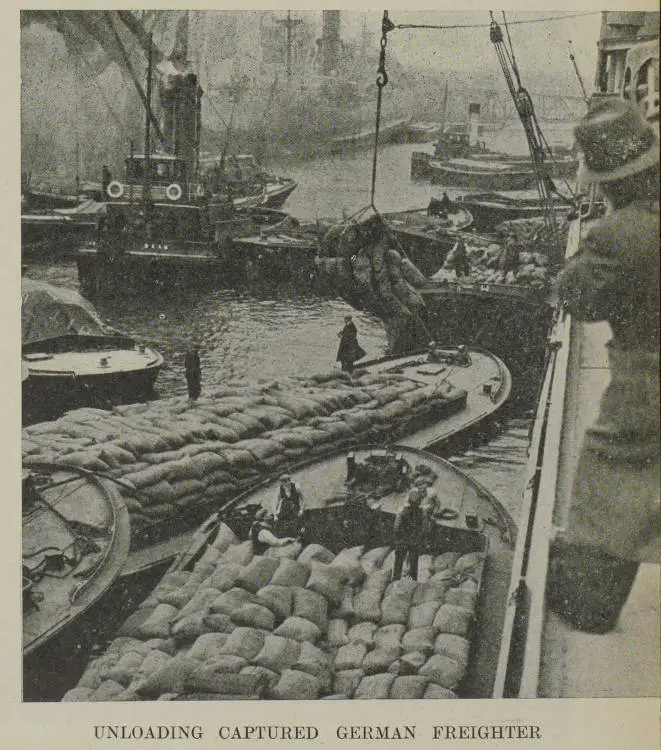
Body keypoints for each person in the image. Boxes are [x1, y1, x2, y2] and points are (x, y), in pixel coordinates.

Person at [546, 99, 660, 634]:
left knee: (612, 466)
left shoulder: (623, 233)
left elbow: (578, 298)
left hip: (649, 371)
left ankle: (589, 605)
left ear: (609, 182)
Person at [392, 487, 427, 580]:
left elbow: (396, 527)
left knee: (398, 564)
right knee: (413, 564)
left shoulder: (402, 511)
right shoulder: (422, 512)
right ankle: (412, 581)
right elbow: (423, 527)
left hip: (403, 540)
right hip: (414, 541)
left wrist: (398, 538)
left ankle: (395, 580)